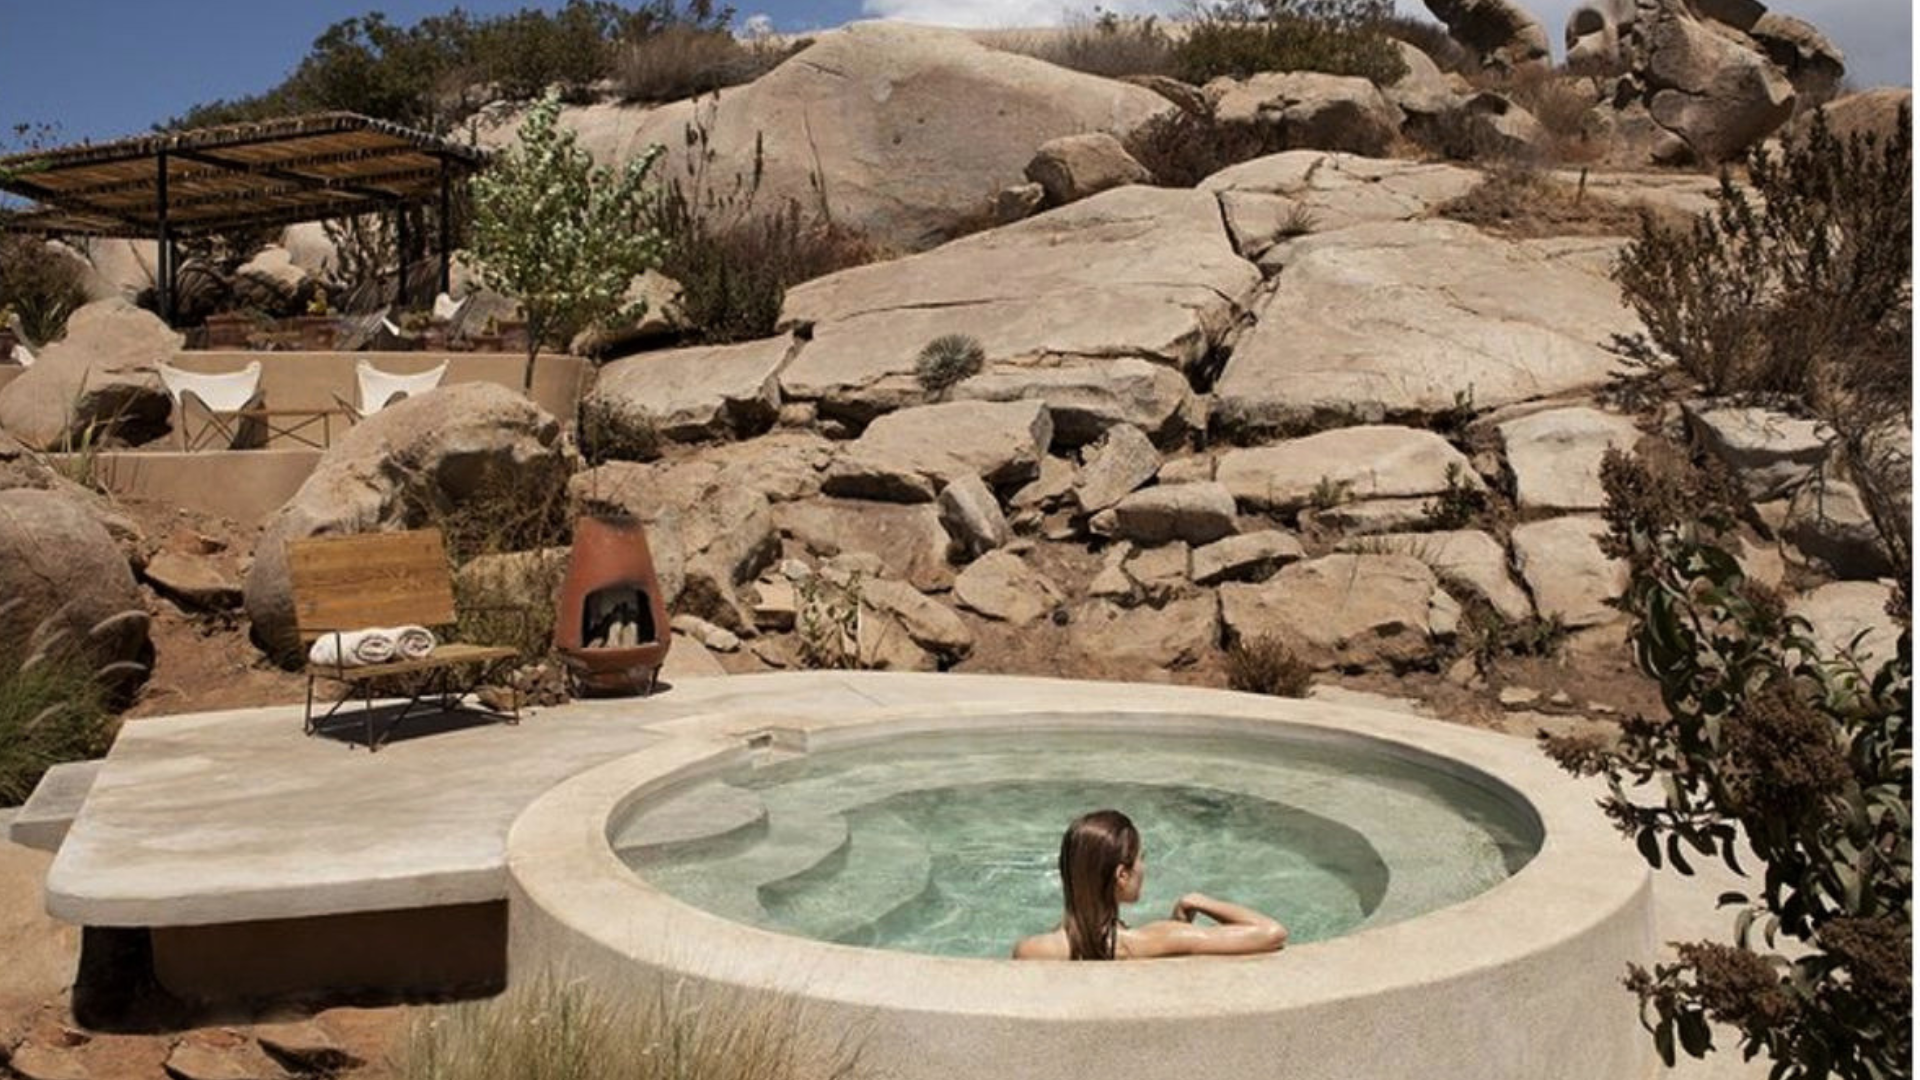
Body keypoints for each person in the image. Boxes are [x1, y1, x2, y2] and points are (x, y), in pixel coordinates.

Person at [1012, 809, 1289, 961]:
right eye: (1141, 858)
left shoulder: (1032, 951)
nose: (1144, 867)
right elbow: (1272, 933)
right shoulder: (1147, 941)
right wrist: (1196, 900)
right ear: (1122, 875)